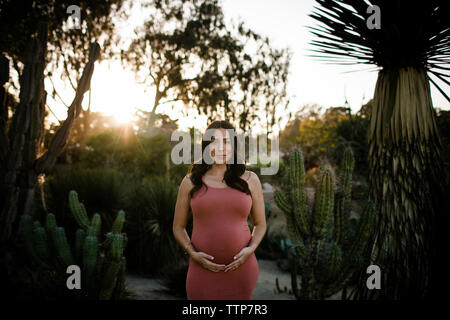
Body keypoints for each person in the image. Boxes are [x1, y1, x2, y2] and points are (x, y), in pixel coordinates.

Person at [172, 120, 267, 300]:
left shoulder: (250, 179)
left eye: (226, 142)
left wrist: (251, 248)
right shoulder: (191, 181)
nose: (221, 148)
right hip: (201, 271)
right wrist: (192, 253)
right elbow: (178, 227)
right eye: (214, 141)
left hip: (242, 271)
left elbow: (260, 223)